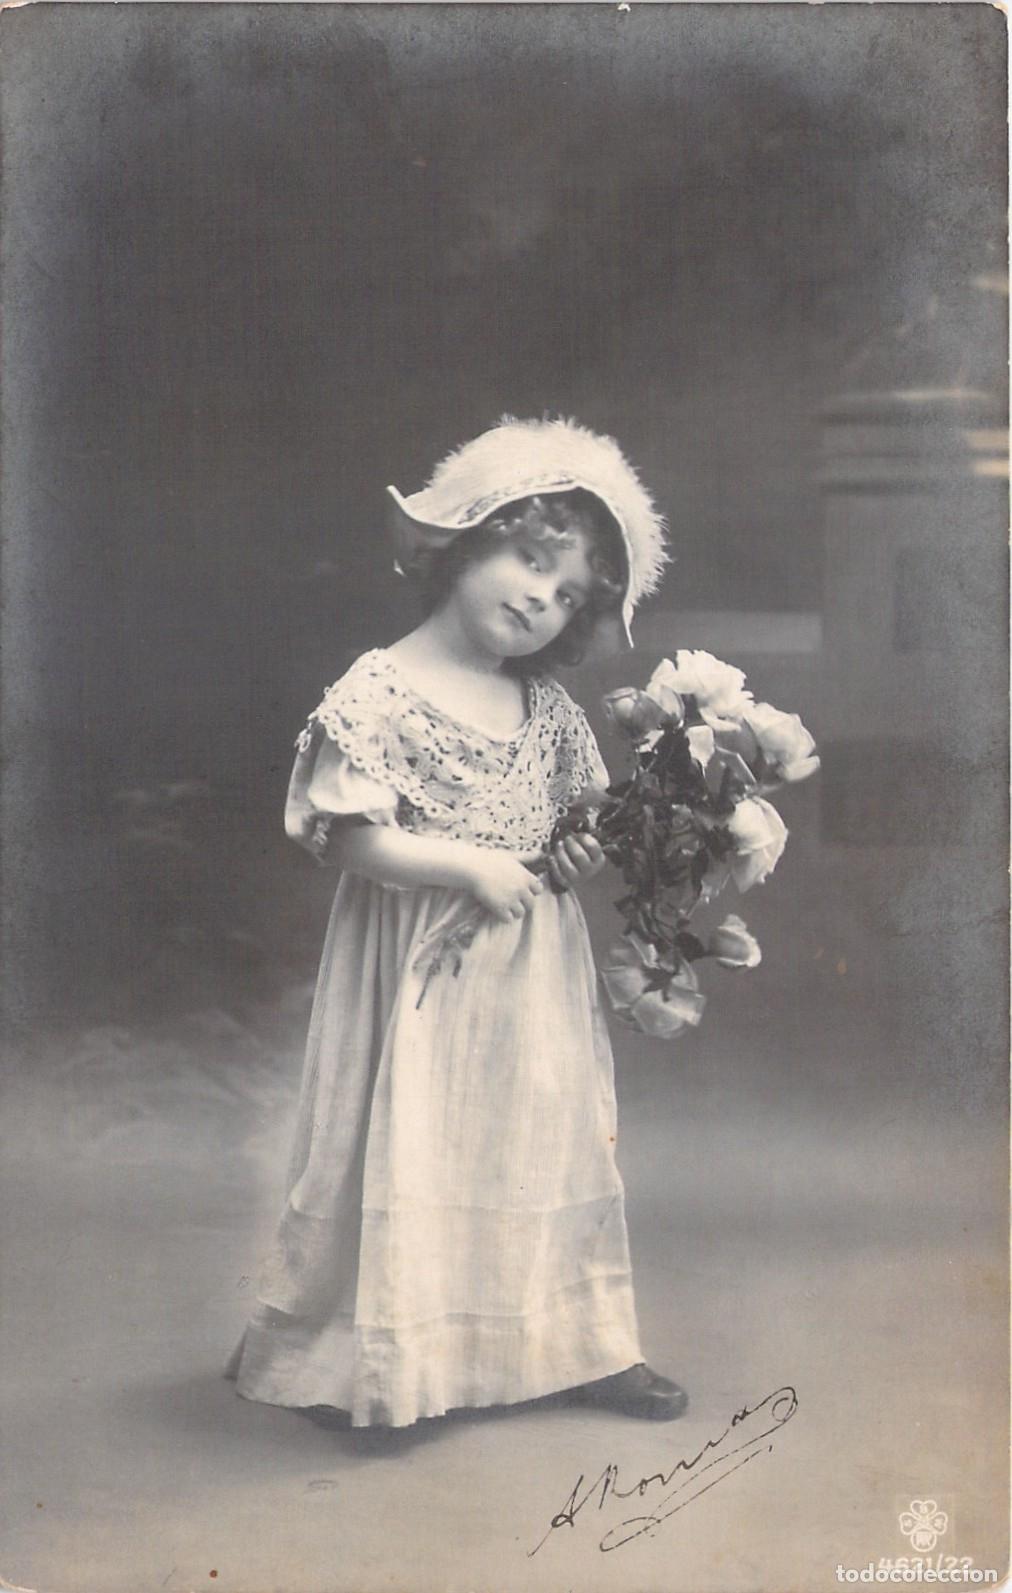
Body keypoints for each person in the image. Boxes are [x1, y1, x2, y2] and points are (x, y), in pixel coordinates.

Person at [225, 414, 688, 1428]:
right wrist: (470, 866)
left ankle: (576, 1340)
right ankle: (375, 1356)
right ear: (463, 542)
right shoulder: (381, 689)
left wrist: (572, 853)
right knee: (412, 1142)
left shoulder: (547, 708)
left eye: (566, 594)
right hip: (415, 966)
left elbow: (573, 825)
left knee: (539, 1140)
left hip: (528, 972)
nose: (539, 598)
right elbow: (350, 839)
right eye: (530, 560)